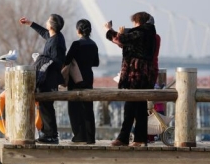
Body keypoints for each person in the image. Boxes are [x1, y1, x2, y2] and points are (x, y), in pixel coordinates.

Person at [104, 11, 156, 147]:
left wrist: (111, 31)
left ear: (140, 21)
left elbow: (121, 39)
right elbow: (123, 41)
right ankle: (139, 139)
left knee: (130, 106)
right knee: (139, 106)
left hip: (137, 74)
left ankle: (124, 138)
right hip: (142, 74)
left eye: (135, 22)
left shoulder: (143, 32)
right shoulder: (147, 32)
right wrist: (114, 32)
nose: (133, 25)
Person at [20, 14, 66, 144]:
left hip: (49, 78)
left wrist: (43, 60)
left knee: (47, 107)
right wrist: (30, 23)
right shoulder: (54, 37)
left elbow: (57, 62)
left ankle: (51, 135)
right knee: (44, 106)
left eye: (48, 21)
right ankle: (47, 133)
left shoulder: (56, 41)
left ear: (51, 26)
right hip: (46, 77)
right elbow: (44, 33)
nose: (46, 22)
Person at [64, 19, 99, 143]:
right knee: (88, 108)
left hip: (76, 78)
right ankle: (90, 137)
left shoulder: (76, 44)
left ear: (78, 30)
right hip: (88, 77)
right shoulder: (94, 44)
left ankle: (79, 135)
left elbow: (66, 60)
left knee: (74, 108)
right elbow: (96, 62)